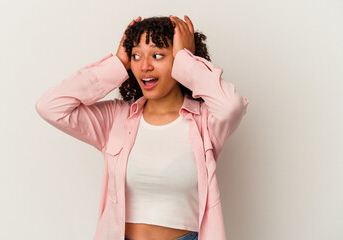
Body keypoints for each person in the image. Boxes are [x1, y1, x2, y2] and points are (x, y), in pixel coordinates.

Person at [35, 15, 249, 240]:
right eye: (136, 56)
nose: (145, 66)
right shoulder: (115, 118)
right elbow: (50, 106)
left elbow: (231, 106)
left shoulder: (205, 121)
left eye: (158, 55)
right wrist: (117, 64)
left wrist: (187, 60)